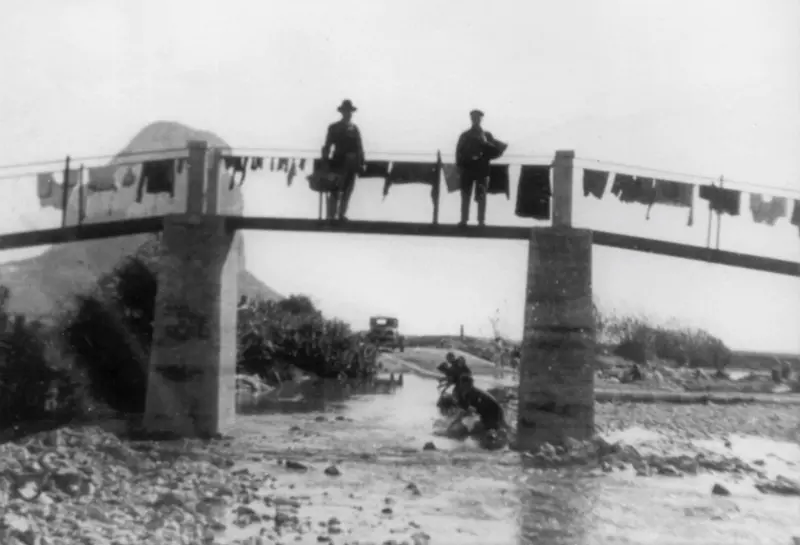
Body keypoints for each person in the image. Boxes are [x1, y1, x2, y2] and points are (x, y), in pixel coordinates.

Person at [455, 109, 505, 227]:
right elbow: (458, 152)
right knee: (465, 195)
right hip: (467, 169)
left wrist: (485, 145)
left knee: (481, 195)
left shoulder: (486, 136)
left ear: (480, 119)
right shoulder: (465, 135)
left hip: (482, 169)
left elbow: (496, 151)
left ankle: (481, 221)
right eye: (474, 118)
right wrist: (460, 166)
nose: (476, 120)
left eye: (478, 118)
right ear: (471, 119)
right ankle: (464, 220)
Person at [321, 99, 365, 221]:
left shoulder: (354, 128)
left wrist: (361, 163)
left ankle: (341, 214)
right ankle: (331, 215)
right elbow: (327, 145)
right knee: (334, 189)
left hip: (352, 163)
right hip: (338, 161)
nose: (348, 113)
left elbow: (360, 147)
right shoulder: (334, 127)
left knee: (347, 190)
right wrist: (324, 161)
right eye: (346, 111)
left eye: (350, 111)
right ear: (342, 112)